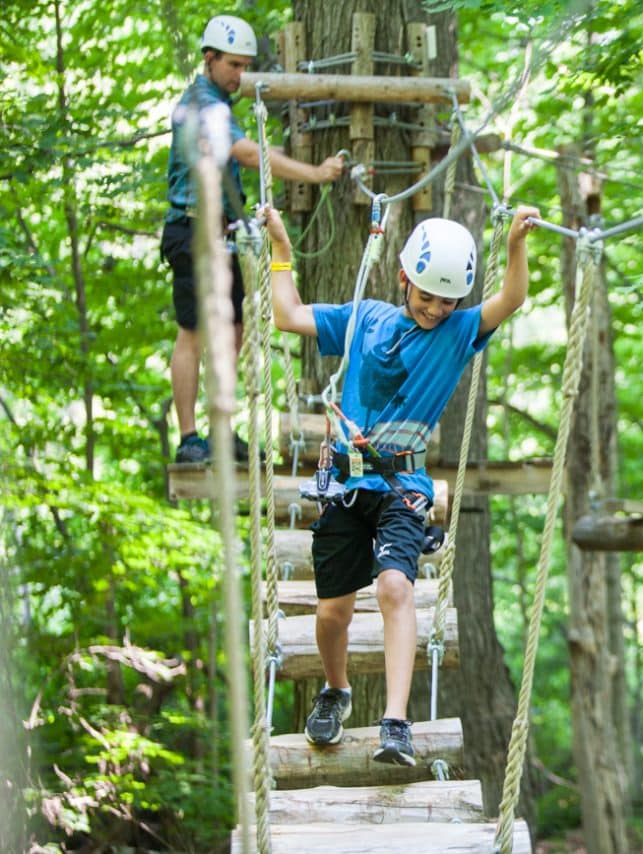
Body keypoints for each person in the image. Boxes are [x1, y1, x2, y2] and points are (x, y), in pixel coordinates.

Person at [263, 202, 540, 766]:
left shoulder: (460, 332)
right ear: (403, 279)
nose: (437, 309)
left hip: (404, 486)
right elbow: (287, 316)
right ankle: (336, 690)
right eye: (427, 296)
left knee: (395, 587)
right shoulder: (364, 317)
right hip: (345, 485)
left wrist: (514, 243)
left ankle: (396, 722)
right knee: (331, 615)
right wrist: (281, 254)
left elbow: (510, 299)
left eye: (448, 300)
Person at [164, 14, 345, 464]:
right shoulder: (203, 101)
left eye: (246, 66)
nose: (240, 75)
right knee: (193, 332)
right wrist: (315, 174)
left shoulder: (221, 105)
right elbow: (246, 154)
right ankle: (190, 438)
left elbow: (253, 147)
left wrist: (303, 158)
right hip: (192, 230)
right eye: (233, 65)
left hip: (221, 233)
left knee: (233, 330)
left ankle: (221, 433)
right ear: (209, 59)